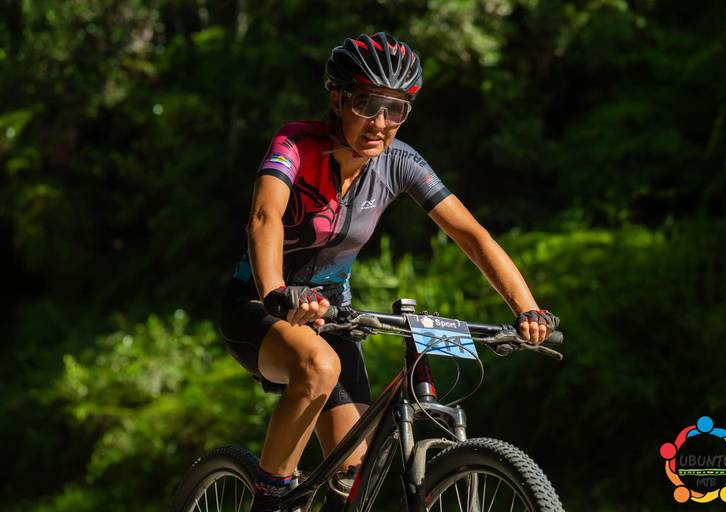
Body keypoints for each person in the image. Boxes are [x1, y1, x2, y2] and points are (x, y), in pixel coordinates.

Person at [220, 32, 559, 511]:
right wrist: (276, 290)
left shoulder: (400, 162)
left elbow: (472, 235)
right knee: (318, 367)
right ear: (338, 100)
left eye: (395, 109)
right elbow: (264, 217)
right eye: (366, 104)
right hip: (260, 305)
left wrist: (528, 309)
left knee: (353, 472)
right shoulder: (296, 143)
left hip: (332, 316)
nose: (380, 123)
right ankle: (269, 501)